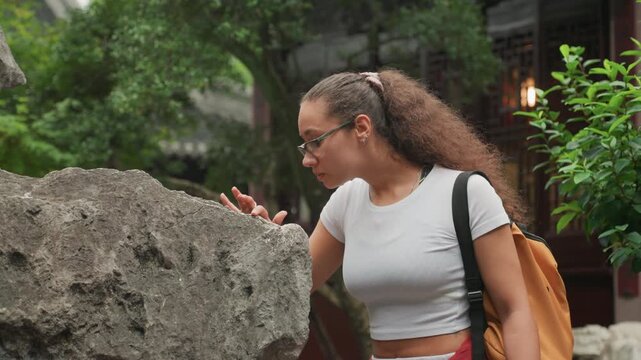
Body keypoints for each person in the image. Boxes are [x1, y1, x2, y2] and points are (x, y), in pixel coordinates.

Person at [220, 70, 539, 360]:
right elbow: (297, 283)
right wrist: (264, 242)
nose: (307, 159)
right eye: (305, 146)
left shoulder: (465, 193)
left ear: (361, 127)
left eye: (314, 142)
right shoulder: (345, 203)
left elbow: (515, 310)